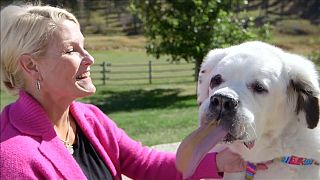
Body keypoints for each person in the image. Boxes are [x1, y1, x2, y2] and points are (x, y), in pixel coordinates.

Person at [0, 4, 246, 180]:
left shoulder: (89, 118)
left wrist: (218, 161)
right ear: (31, 66)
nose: (90, 58)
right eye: (71, 50)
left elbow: (145, 164)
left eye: (84, 46)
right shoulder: (13, 159)